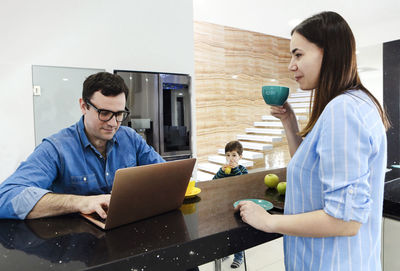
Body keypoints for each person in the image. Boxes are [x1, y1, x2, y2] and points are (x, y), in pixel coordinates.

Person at [235, 11, 390, 271]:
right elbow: (313, 172)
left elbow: (346, 221)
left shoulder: (343, 110)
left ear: (328, 52)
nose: (291, 65)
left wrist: (269, 221)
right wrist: (289, 123)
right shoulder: (357, 102)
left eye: (298, 54)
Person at [0, 72, 165, 220]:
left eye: (119, 114)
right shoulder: (56, 148)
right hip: (74, 244)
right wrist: (80, 202)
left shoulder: (130, 138)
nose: (113, 123)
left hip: (126, 233)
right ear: (83, 106)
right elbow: (6, 197)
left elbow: (165, 174)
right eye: (104, 113)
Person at [213, 140, 248, 268]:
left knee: (237, 234)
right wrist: (222, 172)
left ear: (240, 157)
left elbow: (243, 184)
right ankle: (227, 251)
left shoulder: (242, 170)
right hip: (225, 205)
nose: (230, 158)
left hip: (238, 206)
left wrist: (236, 170)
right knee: (225, 232)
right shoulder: (222, 170)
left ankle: (238, 256)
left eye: (234, 155)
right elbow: (214, 182)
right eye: (228, 155)